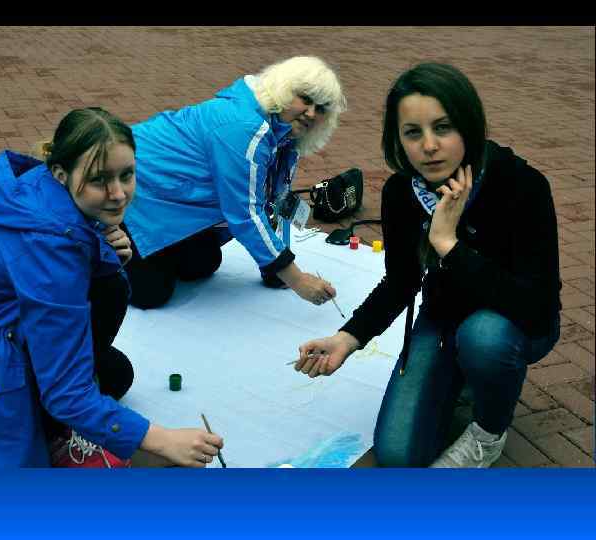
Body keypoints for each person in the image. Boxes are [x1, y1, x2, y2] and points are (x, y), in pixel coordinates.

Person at [0, 107, 223, 468]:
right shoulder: (49, 243)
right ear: (61, 173)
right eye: (99, 180)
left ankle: (38, 423)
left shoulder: (41, 192)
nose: (119, 193)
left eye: (127, 175)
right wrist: (162, 440)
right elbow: (66, 394)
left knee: (114, 371)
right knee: (84, 395)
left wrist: (102, 255)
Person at [294, 63, 561, 468]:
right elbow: (401, 282)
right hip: (443, 322)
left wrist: (449, 245)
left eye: (443, 127)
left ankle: (488, 431)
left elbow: (538, 309)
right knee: (397, 455)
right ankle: (464, 374)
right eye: (413, 132)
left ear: (468, 126)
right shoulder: (403, 191)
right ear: (398, 139)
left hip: (513, 325)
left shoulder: (521, 185)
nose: (429, 146)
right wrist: (347, 338)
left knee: (484, 339)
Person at [122, 55, 347, 309]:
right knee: (151, 294)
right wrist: (297, 279)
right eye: (305, 99)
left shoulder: (283, 134)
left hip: (169, 198)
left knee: (204, 262)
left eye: (321, 108)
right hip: (132, 194)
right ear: (284, 89)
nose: (311, 113)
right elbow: (245, 212)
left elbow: (272, 201)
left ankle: (148, 251)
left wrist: (275, 268)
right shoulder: (246, 128)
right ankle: (101, 241)